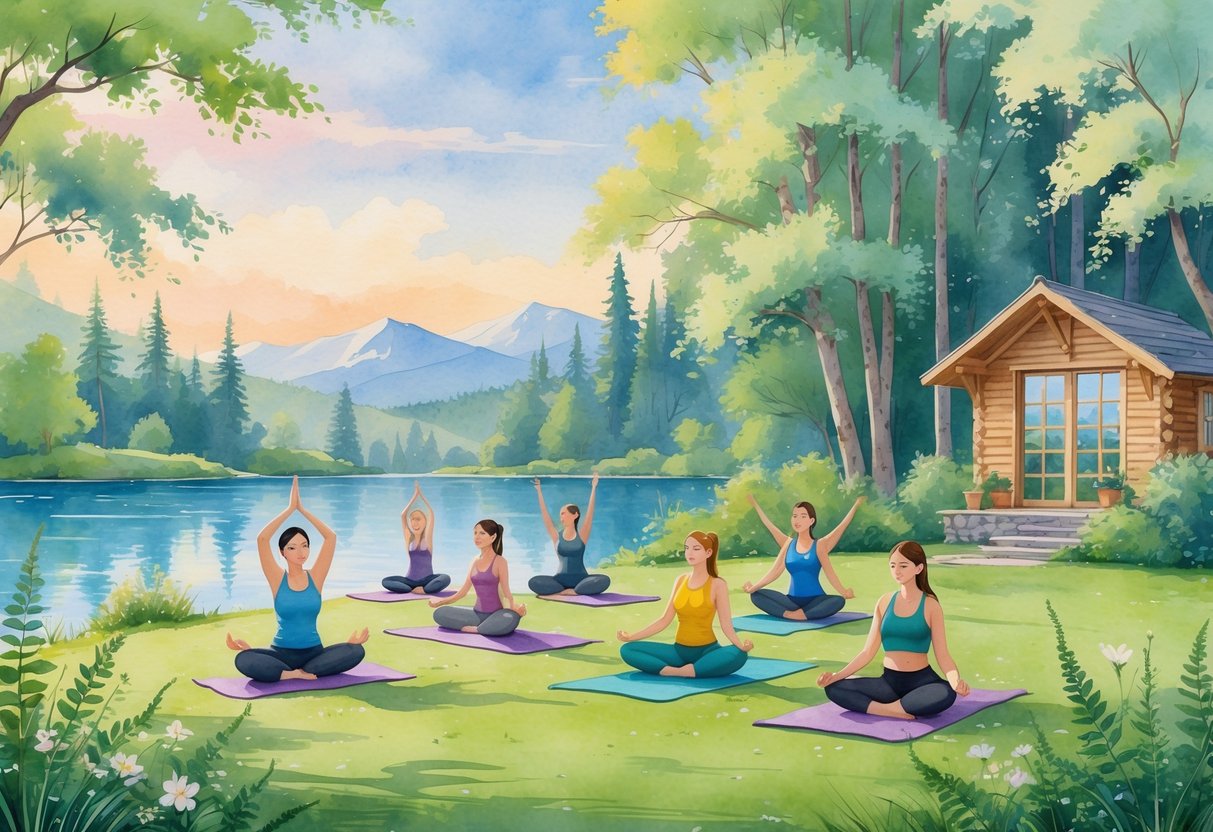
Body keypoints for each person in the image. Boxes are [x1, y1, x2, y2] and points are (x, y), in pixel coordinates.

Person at [227, 476, 369, 683]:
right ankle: (291, 673)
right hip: (281, 654)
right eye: (292, 547)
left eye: (304, 545)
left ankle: (302, 671)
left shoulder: (316, 576)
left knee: (356, 651)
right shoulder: (277, 579)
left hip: (314, 653)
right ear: (282, 552)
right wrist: (289, 509)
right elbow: (262, 539)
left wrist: (302, 510)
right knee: (243, 659)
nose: (300, 552)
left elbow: (330, 538)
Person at [818, 540, 970, 719]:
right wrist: (836, 676)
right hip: (889, 683)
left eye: (903, 566)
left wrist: (955, 681)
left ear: (918, 568)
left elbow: (943, 656)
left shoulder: (930, 606)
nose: (897, 571)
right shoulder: (884, 602)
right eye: (892, 565)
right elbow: (867, 652)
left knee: (945, 693)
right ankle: (892, 710)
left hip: (921, 682)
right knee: (834, 688)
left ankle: (893, 708)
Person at [616, 531, 753, 677]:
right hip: (678, 652)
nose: (689, 552)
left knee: (739, 654)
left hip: (707, 651)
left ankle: (684, 670)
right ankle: (678, 671)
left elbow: (726, 625)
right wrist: (631, 637)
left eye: (696, 548)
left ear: (708, 552)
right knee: (628, 650)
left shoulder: (718, 584)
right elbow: (664, 620)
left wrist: (741, 646)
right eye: (687, 548)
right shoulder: (680, 580)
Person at [742, 494, 865, 620]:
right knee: (756, 595)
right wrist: (753, 588)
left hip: (816, 600)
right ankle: (793, 614)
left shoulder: (819, 545)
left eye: (803, 516)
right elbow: (774, 572)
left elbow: (830, 573)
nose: (797, 520)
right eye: (795, 516)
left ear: (811, 521)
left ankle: (798, 614)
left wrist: (843, 592)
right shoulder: (788, 544)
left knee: (838, 601)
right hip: (791, 602)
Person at [430, 518, 526, 636]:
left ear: (493, 537)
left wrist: (513, 610)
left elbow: (507, 594)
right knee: (440, 613)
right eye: (475, 533)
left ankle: (478, 629)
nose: (477, 537)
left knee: (510, 617)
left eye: (482, 533)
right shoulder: (474, 561)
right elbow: (462, 592)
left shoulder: (500, 561)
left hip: (496, 615)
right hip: (476, 614)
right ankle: (484, 628)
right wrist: (441, 602)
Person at [528, 474, 610, 596]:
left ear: (575, 515)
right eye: (561, 514)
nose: (561, 517)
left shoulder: (582, 535)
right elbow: (546, 517)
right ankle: (570, 591)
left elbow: (590, 513)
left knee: (604, 580)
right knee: (534, 582)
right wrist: (539, 491)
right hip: (559, 581)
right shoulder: (557, 536)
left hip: (581, 580)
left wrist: (593, 487)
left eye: (564, 513)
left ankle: (573, 591)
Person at [382, 481, 451, 595]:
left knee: (445, 578)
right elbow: (402, 515)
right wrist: (414, 496)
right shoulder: (409, 538)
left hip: (428, 580)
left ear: (425, 521)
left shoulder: (427, 538)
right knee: (386, 581)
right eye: (412, 519)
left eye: (418, 519)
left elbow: (431, 513)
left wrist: (421, 495)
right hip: (409, 581)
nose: (415, 523)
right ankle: (411, 590)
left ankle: (424, 590)